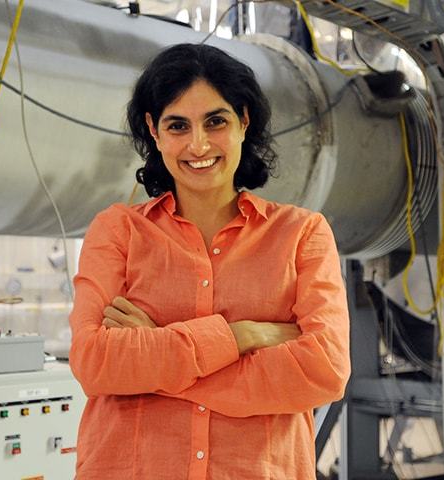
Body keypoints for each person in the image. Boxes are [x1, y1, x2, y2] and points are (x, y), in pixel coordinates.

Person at [69, 43, 350, 479]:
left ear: (243, 120)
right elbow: (94, 362)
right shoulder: (119, 231)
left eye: (215, 121)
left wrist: (158, 359)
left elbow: (324, 371)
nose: (197, 144)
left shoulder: (301, 234)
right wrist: (242, 335)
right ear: (154, 131)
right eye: (177, 125)